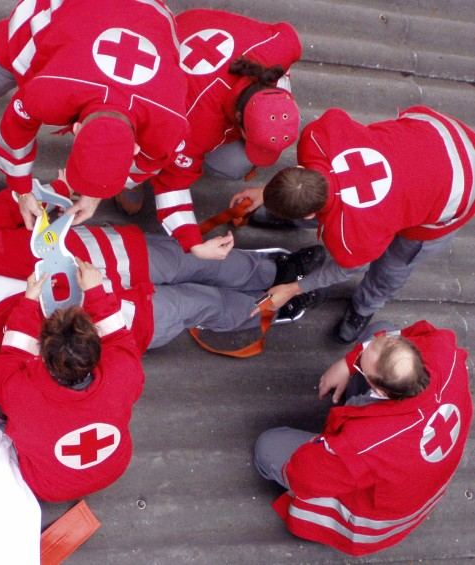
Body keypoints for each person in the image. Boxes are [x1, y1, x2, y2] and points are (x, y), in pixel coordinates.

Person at [0, 186, 326, 374]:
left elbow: (15, 202)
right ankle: (273, 306)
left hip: (118, 256)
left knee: (196, 261)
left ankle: (274, 270)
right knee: (203, 304)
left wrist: (44, 198)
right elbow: (28, 367)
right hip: (121, 319)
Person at [0, 0, 187, 229]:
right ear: (76, 129)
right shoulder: (49, 93)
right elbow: (13, 136)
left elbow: (151, 162)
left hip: (146, 15)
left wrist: (97, 191)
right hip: (58, 18)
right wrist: (22, 191)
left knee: (112, 175)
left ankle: (109, 178)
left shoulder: (170, 122)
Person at [230, 105, 475, 342]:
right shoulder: (318, 138)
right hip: (436, 132)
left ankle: (366, 306)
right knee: (348, 210)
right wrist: (268, 193)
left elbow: (345, 268)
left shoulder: (353, 237)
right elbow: (308, 181)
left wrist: (294, 288)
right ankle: (290, 208)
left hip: (460, 189)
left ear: (307, 215)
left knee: (395, 263)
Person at [253, 320, 472, 556]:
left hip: (374, 517)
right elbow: (400, 336)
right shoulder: (442, 351)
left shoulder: (363, 443)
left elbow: (304, 475)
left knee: (268, 446)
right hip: (414, 481)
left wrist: (326, 447)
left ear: (379, 391)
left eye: (361, 368)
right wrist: (347, 364)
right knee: (381, 327)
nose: (361, 354)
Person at [114, 8, 301, 261]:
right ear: (239, 123)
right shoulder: (192, 125)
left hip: (196, 22)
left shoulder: (283, 45)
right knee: (149, 145)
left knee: (235, 160)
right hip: (157, 54)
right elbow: (172, 184)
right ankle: (126, 175)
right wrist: (193, 243)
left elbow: (285, 32)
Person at [0, 263, 144, 502]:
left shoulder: (19, 393)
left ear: (42, 352)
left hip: (50, 487)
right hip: (113, 468)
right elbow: (119, 337)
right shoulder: (124, 371)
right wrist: (96, 291)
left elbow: (9, 356)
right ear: (97, 349)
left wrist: (29, 301)